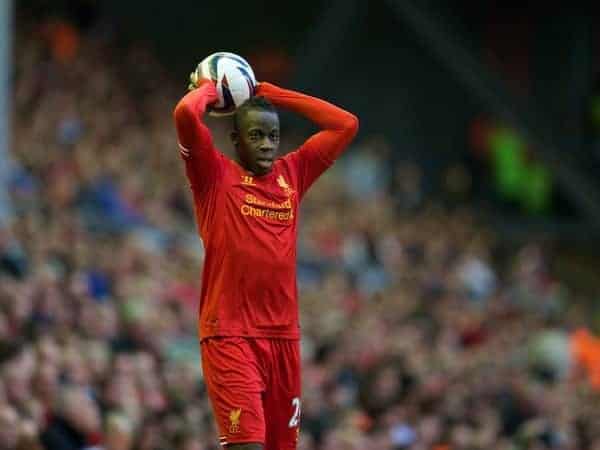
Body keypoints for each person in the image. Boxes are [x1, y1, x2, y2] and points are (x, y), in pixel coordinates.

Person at [173, 72, 358, 450]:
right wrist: (213, 89)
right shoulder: (214, 176)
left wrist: (276, 94)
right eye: (256, 135)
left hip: (284, 339)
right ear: (235, 140)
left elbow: (345, 124)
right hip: (230, 335)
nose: (267, 145)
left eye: (272, 136)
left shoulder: (293, 174)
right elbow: (185, 116)